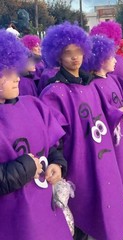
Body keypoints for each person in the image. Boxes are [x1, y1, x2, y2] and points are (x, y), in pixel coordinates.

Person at [40, 22, 123, 240]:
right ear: (57, 57)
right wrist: (59, 163)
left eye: (79, 51)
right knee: (79, 211)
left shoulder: (90, 85)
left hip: (102, 157)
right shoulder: (53, 92)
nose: (74, 58)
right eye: (68, 53)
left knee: (104, 205)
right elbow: (52, 136)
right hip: (77, 160)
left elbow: (105, 115)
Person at [0, 29, 72, 240]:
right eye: (5, 72)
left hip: (45, 211)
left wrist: (57, 164)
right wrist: (24, 168)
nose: (16, 77)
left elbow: (54, 145)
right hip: (12, 222)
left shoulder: (33, 105)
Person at [87, 34, 123, 194]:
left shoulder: (112, 79)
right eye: (111, 57)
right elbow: (99, 112)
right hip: (112, 135)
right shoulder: (93, 85)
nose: (115, 60)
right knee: (117, 164)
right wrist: (120, 111)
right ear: (101, 60)